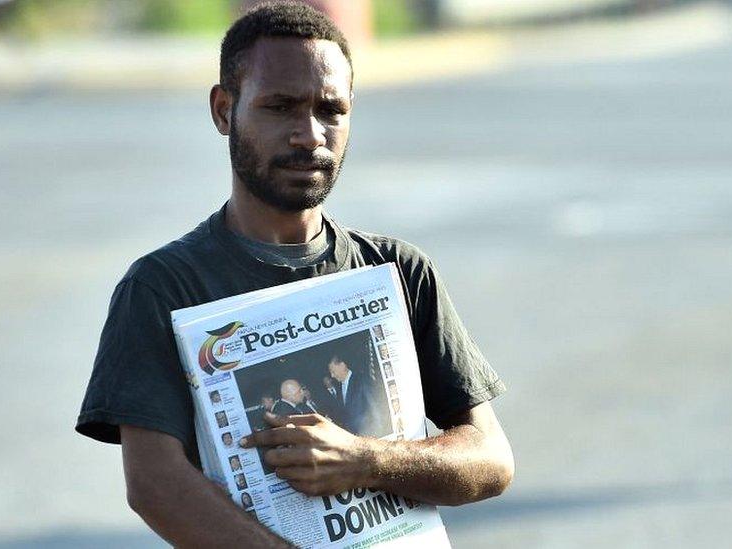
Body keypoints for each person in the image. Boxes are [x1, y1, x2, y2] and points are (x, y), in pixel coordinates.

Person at [76, 3, 513, 547]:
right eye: (280, 107)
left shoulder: (399, 271)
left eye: (331, 109)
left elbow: (491, 459)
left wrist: (367, 461)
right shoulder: (164, 287)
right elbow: (154, 485)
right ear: (222, 110)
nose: (309, 135)